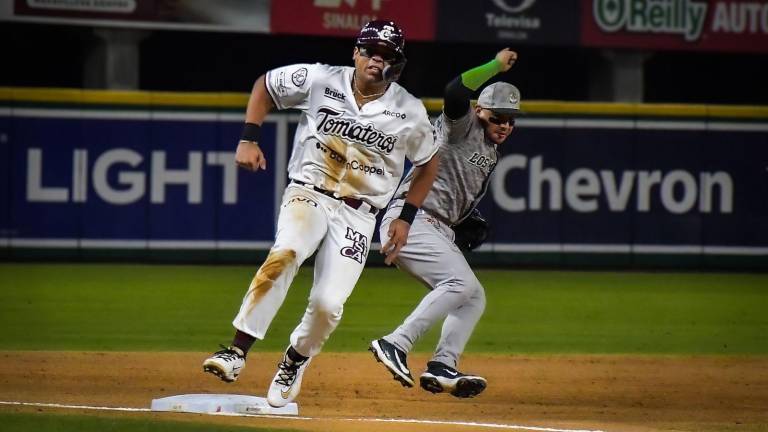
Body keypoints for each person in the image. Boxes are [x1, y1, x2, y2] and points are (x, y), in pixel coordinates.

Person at [202, 20, 439, 408]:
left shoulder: (408, 110)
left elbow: (429, 164)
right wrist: (248, 137)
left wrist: (405, 217)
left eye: (387, 55)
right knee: (288, 252)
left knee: (329, 305)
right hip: (308, 192)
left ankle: (295, 359)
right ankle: (236, 351)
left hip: (360, 215)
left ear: (398, 64)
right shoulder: (319, 79)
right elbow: (265, 85)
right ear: (355, 52)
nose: (376, 60)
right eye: (370, 51)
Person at [369, 48, 520, 398]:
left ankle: (442, 365)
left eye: (511, 120)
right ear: (479, 111)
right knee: (458, 282)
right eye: (498, 117)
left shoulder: (491, 148)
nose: (505, 125)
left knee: (473, 296)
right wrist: (495, 66)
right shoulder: (462, 125)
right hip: (411, 218)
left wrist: (463, 219)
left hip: (437, 226)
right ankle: (396, 342)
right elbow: (454, 91)